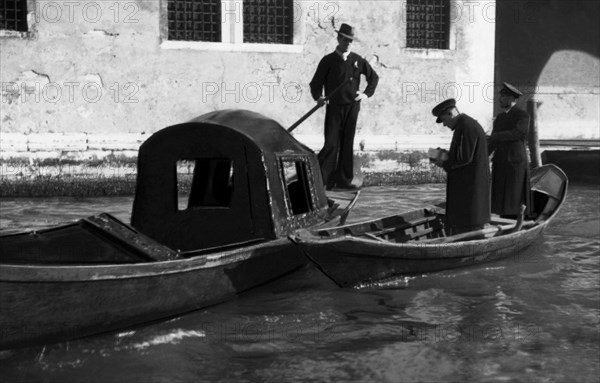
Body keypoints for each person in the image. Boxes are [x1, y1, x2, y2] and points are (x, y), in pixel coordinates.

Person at [309, 23, 379, 190]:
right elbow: (315, 84)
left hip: (352, 107)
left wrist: (365, 94)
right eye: (345, 39)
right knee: (331, 143)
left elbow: (373, 78)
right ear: (339, 38)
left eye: (350, 40)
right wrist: (319, 97)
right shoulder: (328, 61)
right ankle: (321, 180)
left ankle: (343, 180)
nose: (348, 43)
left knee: (347, 143)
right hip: (334, 107)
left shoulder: (358, 60)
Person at [431, 99, 491, 235]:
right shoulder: (465, 125)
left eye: (444, 120)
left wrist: (443, 162)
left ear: (450, 113)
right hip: (469, 186)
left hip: (469, 187)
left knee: (469, 226)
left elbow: (464, 158)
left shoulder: (466, 126)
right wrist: (443, 154)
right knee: (468, 222)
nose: (445, 125)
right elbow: (462, 154)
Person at [488, 82, 531, 219]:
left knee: (514, 193)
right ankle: (503, 219)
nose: (500, 99)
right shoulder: (500, 118)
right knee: (500, 193)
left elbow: (517, 133)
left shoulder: (522, 115)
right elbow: (493, 142)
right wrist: (484, 156)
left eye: (504, 96)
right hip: (501, 160)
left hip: (515, 161)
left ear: (513, 99)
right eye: (500, 96)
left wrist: (494, 136)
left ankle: (516, 219)